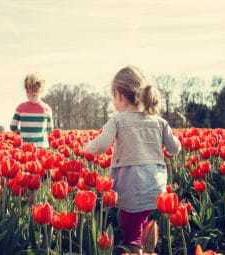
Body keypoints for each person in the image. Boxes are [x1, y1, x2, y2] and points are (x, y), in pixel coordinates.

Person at [84, 66, 181, 254]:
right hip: (156, 187)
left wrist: (87, 147)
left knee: (131, 231)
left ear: (119, 95)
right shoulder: (159, 121)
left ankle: (136, 250)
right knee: (143, 222)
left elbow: (102, 145)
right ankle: (148, 248)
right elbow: (175, 148)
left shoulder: (118, 120)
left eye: (113, 97)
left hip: (131, 186)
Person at [10, 73, 53, 148]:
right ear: (41, 91)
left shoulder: (20, 108)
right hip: (42, 146)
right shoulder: (47, 109)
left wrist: (21, 133)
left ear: (26, 91)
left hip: (25, 146)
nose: (32, 93)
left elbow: (13, 126)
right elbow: (50, 128)